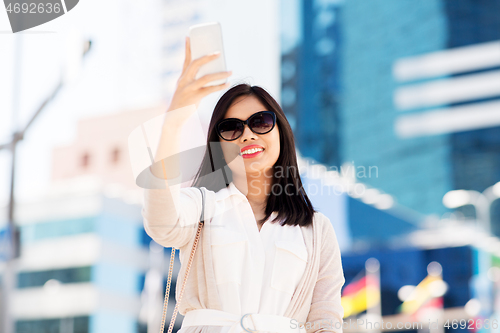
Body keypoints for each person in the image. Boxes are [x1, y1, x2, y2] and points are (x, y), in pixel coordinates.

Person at [141, 36, 345, 333]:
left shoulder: (317, 230)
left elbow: (325, 321)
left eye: (260, 122)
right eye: (232, 128)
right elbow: (160, 223)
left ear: (281, 133)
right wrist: (174, 121)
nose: (247, 135)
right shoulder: (202, 207)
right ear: (219, 146)